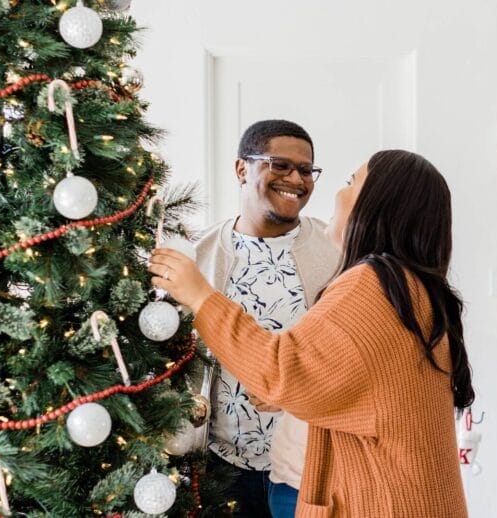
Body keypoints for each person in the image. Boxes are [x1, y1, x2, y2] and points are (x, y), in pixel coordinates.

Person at [151, 149, 474, 517]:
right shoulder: (409, 287)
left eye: (351, 182)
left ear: (377, 204)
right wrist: (299, 392)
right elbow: (374, 387)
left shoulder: (372, 285)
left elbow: (279, 369)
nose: (336, 194)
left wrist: (199, 295)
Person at [192, 119, 339, 517]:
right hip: (222, 467)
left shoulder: (336, 252)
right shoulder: (201, 255)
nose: (296, 179)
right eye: (280, 165)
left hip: (308, 470)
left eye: (306, 170)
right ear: (243, 170)